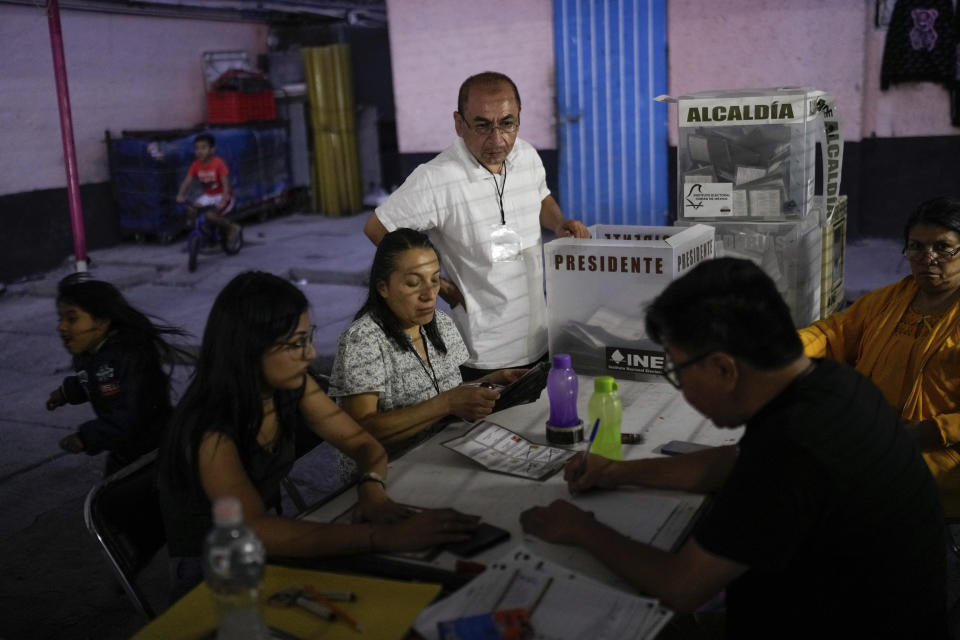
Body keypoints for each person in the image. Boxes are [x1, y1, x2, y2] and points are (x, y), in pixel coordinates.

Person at [520, 258, 947, 637]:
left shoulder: (794, 449)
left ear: (724, 368)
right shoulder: (831, 384)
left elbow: (680, 586)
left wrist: (579, 528)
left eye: (678, 370)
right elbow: (735, 463)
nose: (681, 388)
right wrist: (616, 471)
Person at [158, 271, 478, 597]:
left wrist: (371, 487)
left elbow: (360, 442)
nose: (310, 354)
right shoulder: (210, 429)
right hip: (212, 568)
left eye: (307, 338)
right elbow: (256, 530)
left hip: (264, 537)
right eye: (296, 344)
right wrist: (383, 537)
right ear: (251, 349)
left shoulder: (288, 385)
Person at [363, 71, 590, 378]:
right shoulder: (437, 177)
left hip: (539, 336)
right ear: (459, 124)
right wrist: (438, 285)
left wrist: (559, 222)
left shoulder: (527, 156)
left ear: (519, 119)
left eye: (507, 124)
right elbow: (378, 228)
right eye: (483, 125)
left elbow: (541, 199)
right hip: (483, 354)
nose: (497, 139)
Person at [800, 195, 960, 518]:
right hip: (877, 441)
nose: (927, 258)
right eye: (916, 247)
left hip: (940, 462)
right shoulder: (891, 300)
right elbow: (834, 333)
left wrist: (926, 433)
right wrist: (778, 353)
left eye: (943, 248)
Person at [329, 228, 523, 451]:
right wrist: (447, 404)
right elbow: (362, 428)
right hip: (387, 470)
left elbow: (447, 391)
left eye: (434, 280)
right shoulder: (362, 340)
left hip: (443, 448)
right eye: (413, 283)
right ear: (383, 287)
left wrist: (495, 381)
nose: (429, 294)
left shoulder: (440, 323)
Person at [46, 273, 185, 475]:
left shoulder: (131, 356)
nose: (62, 326)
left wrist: (87, 437)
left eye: (72, 318)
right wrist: (66, 392)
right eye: (61, 318)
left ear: (102, 322)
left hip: (154, 450)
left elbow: (130, 414)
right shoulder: (87, 356)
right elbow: (94, 383)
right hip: (124, 449)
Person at [175, 132, 240, 244]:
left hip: (223, 195)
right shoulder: (196, 165)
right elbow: (186, 181)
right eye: (197, 148)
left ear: (212, 150)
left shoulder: (218, 163)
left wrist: (223, 201)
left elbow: (226, 185)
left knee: (210, 215)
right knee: (191, 209)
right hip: (209, 196)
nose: (199, 151)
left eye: (204, 148)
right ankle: (199, 234)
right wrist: (180, 195)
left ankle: (231, 227)